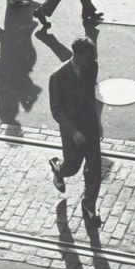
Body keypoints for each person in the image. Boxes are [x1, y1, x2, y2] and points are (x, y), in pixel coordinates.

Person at [48, 36, 103, 228]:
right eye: (89, 56)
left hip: (90, 126)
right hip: (73, 131)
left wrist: (98, 120)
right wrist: (74, 132)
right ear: (77, 55)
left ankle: (89, 205)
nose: (93, 59)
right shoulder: (58, 77)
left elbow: (91, 95)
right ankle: (58, 168)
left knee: (94, 168)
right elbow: (56, 110)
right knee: (72, 167)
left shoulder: (92, 67)